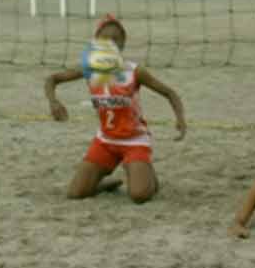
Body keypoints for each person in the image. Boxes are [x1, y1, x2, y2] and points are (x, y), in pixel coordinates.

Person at [43, 14, 187, 203]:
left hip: (134, 140)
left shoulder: (134, 72)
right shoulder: (90, 69)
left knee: (139, 196)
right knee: (75, 193)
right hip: (105, 140)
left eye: (115, 39)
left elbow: (170, 93)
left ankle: (149, 177)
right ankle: (100, 185)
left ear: (122, 43)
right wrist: (54, 102)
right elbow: (52, 79)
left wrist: (180, 120)